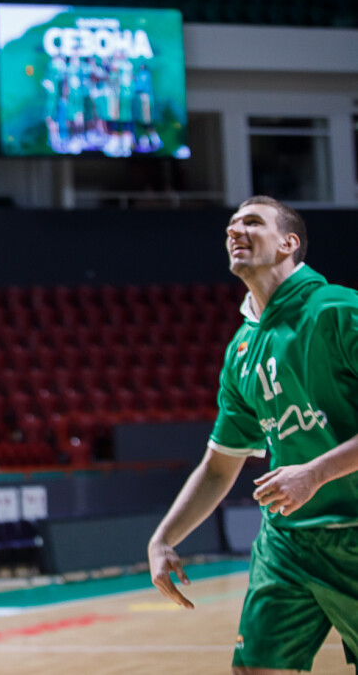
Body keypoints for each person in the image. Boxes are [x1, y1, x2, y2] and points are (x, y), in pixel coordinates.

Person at [148, 196, 358, 673]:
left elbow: (308, 473)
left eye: (252, 222)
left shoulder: (340, 310)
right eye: (231, 224)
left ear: (289, 243)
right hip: (287, 543)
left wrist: (315, 474)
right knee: (255, 668)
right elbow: (219, 466)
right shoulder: (242, 350)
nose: (234, 230)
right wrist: (163, 538)